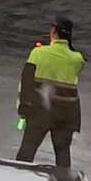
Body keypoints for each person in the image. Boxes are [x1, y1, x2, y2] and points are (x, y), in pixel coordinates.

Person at [17, 18, 84, 169]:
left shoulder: (38, 53)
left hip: (41, 111)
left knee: (26, 153)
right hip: (66, 114)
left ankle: (18, 180)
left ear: (54, 31)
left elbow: (26, 81)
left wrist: (23, 108)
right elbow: (77, 63)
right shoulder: (77, 59)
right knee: (62, 155)